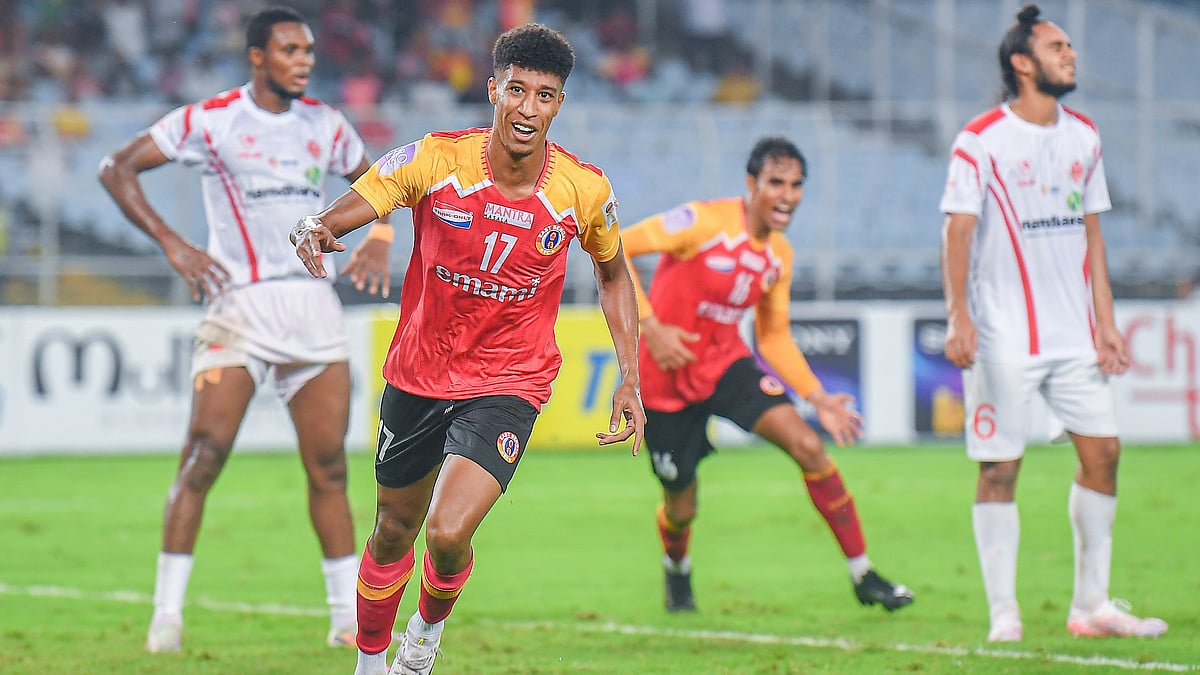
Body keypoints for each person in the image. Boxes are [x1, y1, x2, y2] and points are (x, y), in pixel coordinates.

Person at [289, 23, 646, 675]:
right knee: (394, 529)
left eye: (544, 95)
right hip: (420, 374)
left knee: (448, 531)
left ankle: (422, 636)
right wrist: (316, 226)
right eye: (517, 91)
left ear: (559, 104)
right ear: (493, 91)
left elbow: (615, 271)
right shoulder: (436, 158)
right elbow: (362, 198)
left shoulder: (584, 190)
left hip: (510, 381)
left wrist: (630, 374)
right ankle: (371, 665)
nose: (528, 109)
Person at [98, 6, 394, 653]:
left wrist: (380, 230)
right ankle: (166, 617)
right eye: (290, 49)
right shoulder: (213, 119)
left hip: (314, 309)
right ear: (258, 56)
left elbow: (384, 182)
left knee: (329, 470)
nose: (305, 60)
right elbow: (114, 168)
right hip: (239, 306)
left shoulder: (328, 125)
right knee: (203, 455)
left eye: (309, 51)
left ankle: (347, 619)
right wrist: (173, 244)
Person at [940, 3, 1168, 643]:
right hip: (1003, 336)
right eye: (1057, 46)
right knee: (1000, 469)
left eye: (1070, 45)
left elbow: (1093, 236)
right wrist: (958, 315)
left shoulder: (1085, 136)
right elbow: (957, 233)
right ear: (1022, 62)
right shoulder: (980, 139)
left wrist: (1108, 323)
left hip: (1073, 337)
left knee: (1104, 454)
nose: (1071, 54)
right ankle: (1004, 613)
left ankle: (1091, 606)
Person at [621, 137, 913, 615]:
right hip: (665, 379)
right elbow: (615, 248)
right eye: (776, 183)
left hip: (726, 366)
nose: (788, 195)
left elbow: (773, 336)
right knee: (681, 507)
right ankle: (677, 569)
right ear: (751, 185)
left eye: (797, 185)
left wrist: (818, 398)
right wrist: (650, 327)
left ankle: (863, 573)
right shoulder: (701, 221)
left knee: (809, 447)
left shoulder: (779, 254)